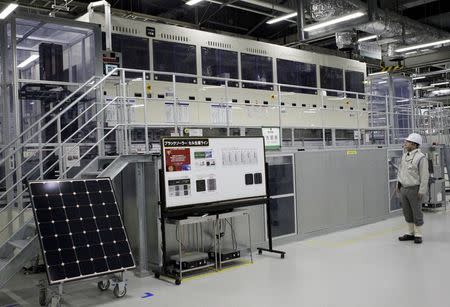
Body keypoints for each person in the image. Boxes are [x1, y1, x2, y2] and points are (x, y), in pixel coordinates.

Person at [397, 133, 429, 244]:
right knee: (407, 212)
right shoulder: (405, 156)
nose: (405, 143)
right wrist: (398, 185)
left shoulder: (421, 158)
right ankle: (410, 233)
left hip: (415, 189)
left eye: (407, 142)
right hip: (404, 189)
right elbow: (401, 171)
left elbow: (425, 176)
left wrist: (422, 191)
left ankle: (418, 234)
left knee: (416, 212)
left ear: (414, 144)